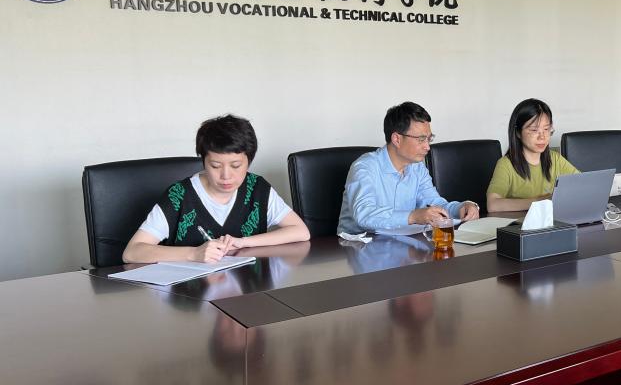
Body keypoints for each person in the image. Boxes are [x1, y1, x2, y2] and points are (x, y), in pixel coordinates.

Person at [123, 114, 310, 263]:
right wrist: (193, 254)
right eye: (215, 166)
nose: (226, 175)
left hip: (247, 292)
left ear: (249, 161)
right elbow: (132, 252)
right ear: (203, 161)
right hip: (189, 297)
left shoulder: (257, 188)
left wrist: (243, 242)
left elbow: (301, 231)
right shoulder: (179, 196)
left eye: (236, 166)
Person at [337, 101, 480, 234]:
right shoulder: (364, 167)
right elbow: (364, 214)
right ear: (397, 139)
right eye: (421, 139)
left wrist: (462, 207)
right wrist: (413, 216)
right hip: (356, 246)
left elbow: (434, 204)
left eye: (429, 139)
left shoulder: (417, 168)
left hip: (399, 243)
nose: (427, 147)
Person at [486, 98, 579, 212]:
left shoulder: (555, 159)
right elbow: (493, 205)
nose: (542, 137)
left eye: (546, 129)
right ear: (518, 132)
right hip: (521, 222)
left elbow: (584, 185)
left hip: (552, 221)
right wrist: (541, 201)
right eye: (534, 130)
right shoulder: (506, 164)